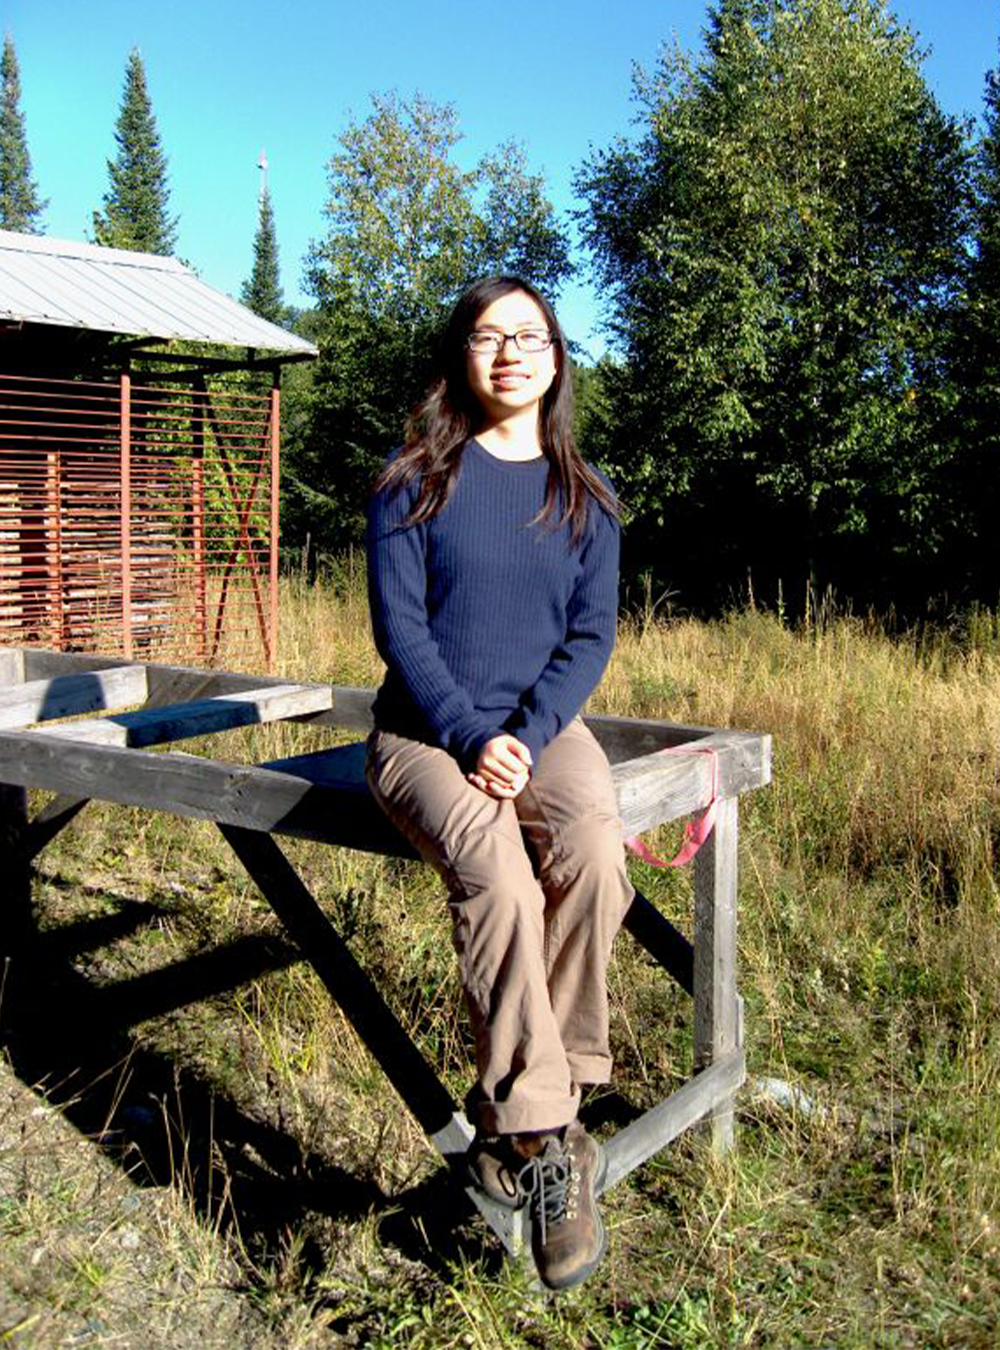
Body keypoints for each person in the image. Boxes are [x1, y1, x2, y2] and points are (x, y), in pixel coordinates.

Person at [365, 275, 633, 1290]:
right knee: (501, 876)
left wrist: (526, 732)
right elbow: (402, 633)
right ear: (461, 356)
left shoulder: (585, 496)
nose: (510, 351)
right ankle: (545, 1139)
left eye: (529, 336)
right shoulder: (412, 481)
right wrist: (474, 735)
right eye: (488, 335)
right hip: (425, 737)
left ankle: (539, 1106)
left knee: (596, 850)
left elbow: (590, 635)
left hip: (542, 730)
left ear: (556, 357)